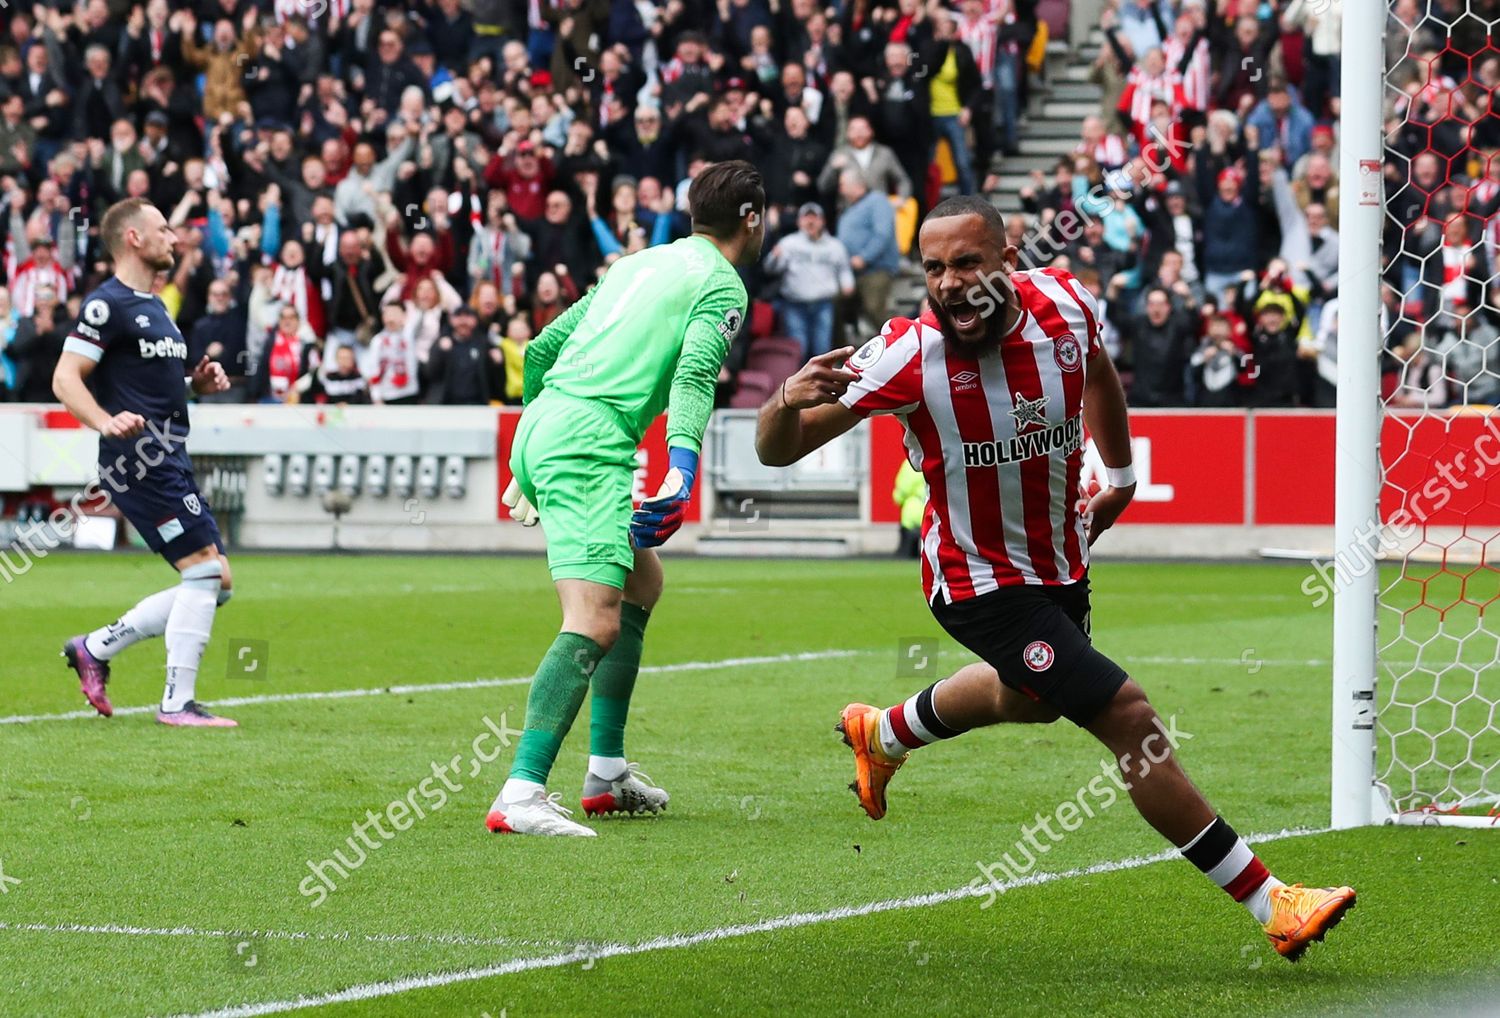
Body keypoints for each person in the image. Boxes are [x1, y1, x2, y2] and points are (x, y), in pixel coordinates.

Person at [753, 195, 1356, 963]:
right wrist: (782, 400)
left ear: (1009, 263)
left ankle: (885, 732)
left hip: (1061, 557)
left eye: (968, 262)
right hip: (976, 581)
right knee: (1129, 717)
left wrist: (1125, 474)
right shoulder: (905, 356)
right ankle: (1273, 902)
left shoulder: (1066, 305)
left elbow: (1099, 371)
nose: (949, 283)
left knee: (1029, 702)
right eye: (933, 268)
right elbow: (781, 450)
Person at [486, 160, 765, 837]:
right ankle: (520, 792)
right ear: (751, 218)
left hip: (553, 419)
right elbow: (698, 372)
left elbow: (547, 345)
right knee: (594, 621)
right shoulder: (721, 283)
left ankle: (606, 774)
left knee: (642, 585)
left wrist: (532, 440)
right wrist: (683, 464)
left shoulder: (637, 263)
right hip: (589, 441)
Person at [52, 197, 238, 727]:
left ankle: (94, 646)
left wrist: (193, 385)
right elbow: (66, 378)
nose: (173, 238)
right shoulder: (105, 304)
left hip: (170, 456)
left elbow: (148, 383)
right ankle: (177, 703)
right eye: (163, 229)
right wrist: (104, 420)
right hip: (138, 460)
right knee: (203, 570)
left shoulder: (155, 307)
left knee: (217, 580)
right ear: (133, 238)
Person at [764, 203, 854, 358]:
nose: (810, 222)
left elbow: (844, 269)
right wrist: (774, 258)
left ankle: (821, 383)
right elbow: (771, 269)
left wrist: (848, 284)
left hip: (823, 304)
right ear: (799, 222)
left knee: (822, 349)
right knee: (799, 348)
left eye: (815, 218)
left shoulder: (835, 246)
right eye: (806, 218)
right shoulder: (788, 243)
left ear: (822, 221)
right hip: (794, 305)